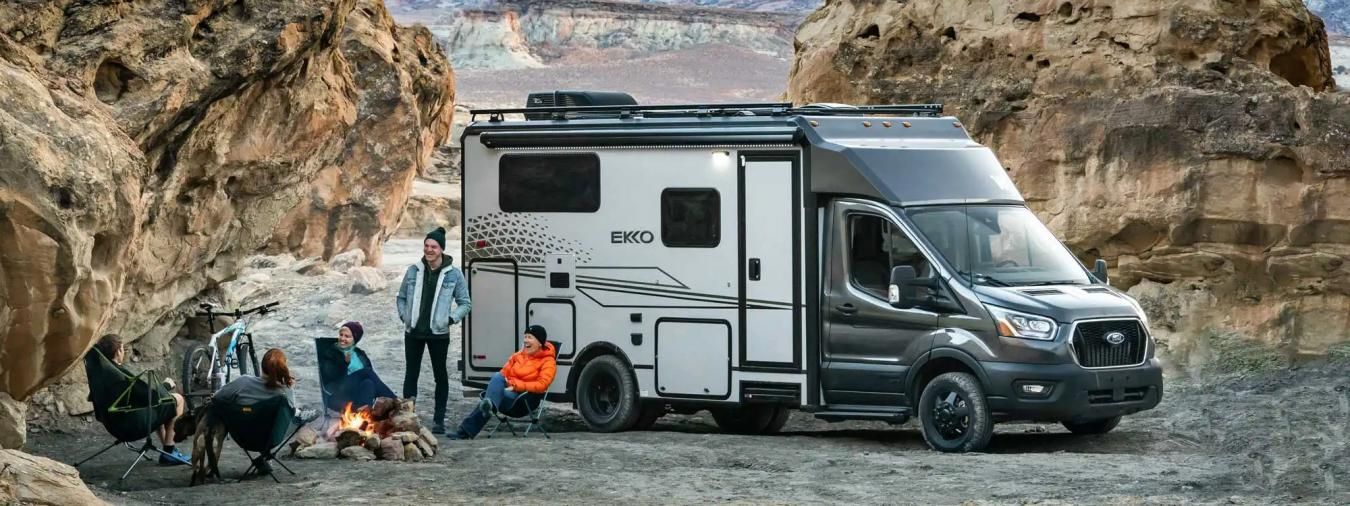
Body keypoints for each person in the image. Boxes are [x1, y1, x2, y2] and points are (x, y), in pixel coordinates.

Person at [396, 226, 472, 433]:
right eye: (427, 246)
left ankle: (439, 420)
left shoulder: (454, 275)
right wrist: (405, 316)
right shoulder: (413, 270)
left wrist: (450, 319)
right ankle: (408, 418)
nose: (429, 250)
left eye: (434, 247)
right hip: (413, 332)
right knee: (411, 374)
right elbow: (401, 297)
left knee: (441, 375)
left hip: (439, 334)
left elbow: (465, 303)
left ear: (442, 250)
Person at [92, 334, 192, 466]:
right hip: (131, 426)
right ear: (118, 352)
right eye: (123, 350)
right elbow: (147, 396)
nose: (124, 353)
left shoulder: (101, 373)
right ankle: (169, 451)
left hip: (112, 424)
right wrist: (166, 386)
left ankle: (168, 449)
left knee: (162, 405)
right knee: (177, 399)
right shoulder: (119, 374)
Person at [450, 325, 555, 440]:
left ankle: (465, 431)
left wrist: (515, 386)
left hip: (524, 400)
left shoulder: (548, 361)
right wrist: (507, 383)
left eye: (530, 337)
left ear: (540, 342)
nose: (525, 340)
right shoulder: (518, 355)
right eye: (525, 337)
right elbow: (504, 373)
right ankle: (488, 407)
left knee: (491, 395)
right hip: (508, 391)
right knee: (497, 376)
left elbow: (542, 385)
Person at [318, 321, 396, 410]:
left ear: (355, 339)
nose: (342, 338)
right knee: (366, 372)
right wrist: (345, 363)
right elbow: (329, 375)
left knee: (368, 383)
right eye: (341, 335)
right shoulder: (331, 352)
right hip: (338, 394)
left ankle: (364, 415)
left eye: (347, 336)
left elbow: (374, 380)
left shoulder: (359, 354)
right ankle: (396, 402)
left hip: (357, 396)